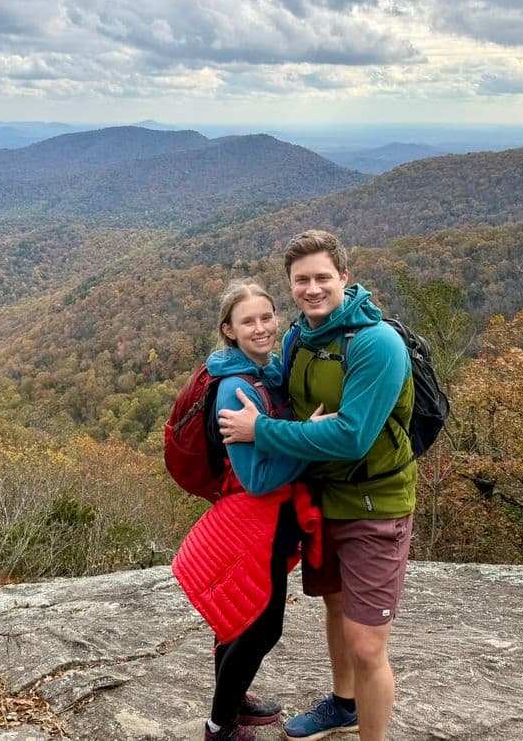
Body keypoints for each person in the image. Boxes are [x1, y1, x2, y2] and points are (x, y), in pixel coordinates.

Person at [218, 231, 415, 741]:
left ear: (344, 278)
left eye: (323, 277)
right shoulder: (299, 338)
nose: (312, 288)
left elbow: (351, 436)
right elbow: (282, 396)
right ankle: (344, 706)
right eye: (301, 280)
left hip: (374, 503)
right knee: (335, 605)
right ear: (290, 284)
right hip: (321, 501)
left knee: (367, 645)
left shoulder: (376, 344)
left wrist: (260, 431)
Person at [171, 280, 324, 741]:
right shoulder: (237, 389)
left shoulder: (267, 373)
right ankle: (220, 726)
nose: (260, 328)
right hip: (252, 522)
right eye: (247, 322)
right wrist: (310, 440)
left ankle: (234, 699)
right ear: (229, 330)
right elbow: (256, 478)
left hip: (269, 521)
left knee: (238, 620)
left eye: (266, 317)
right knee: (261, 628)